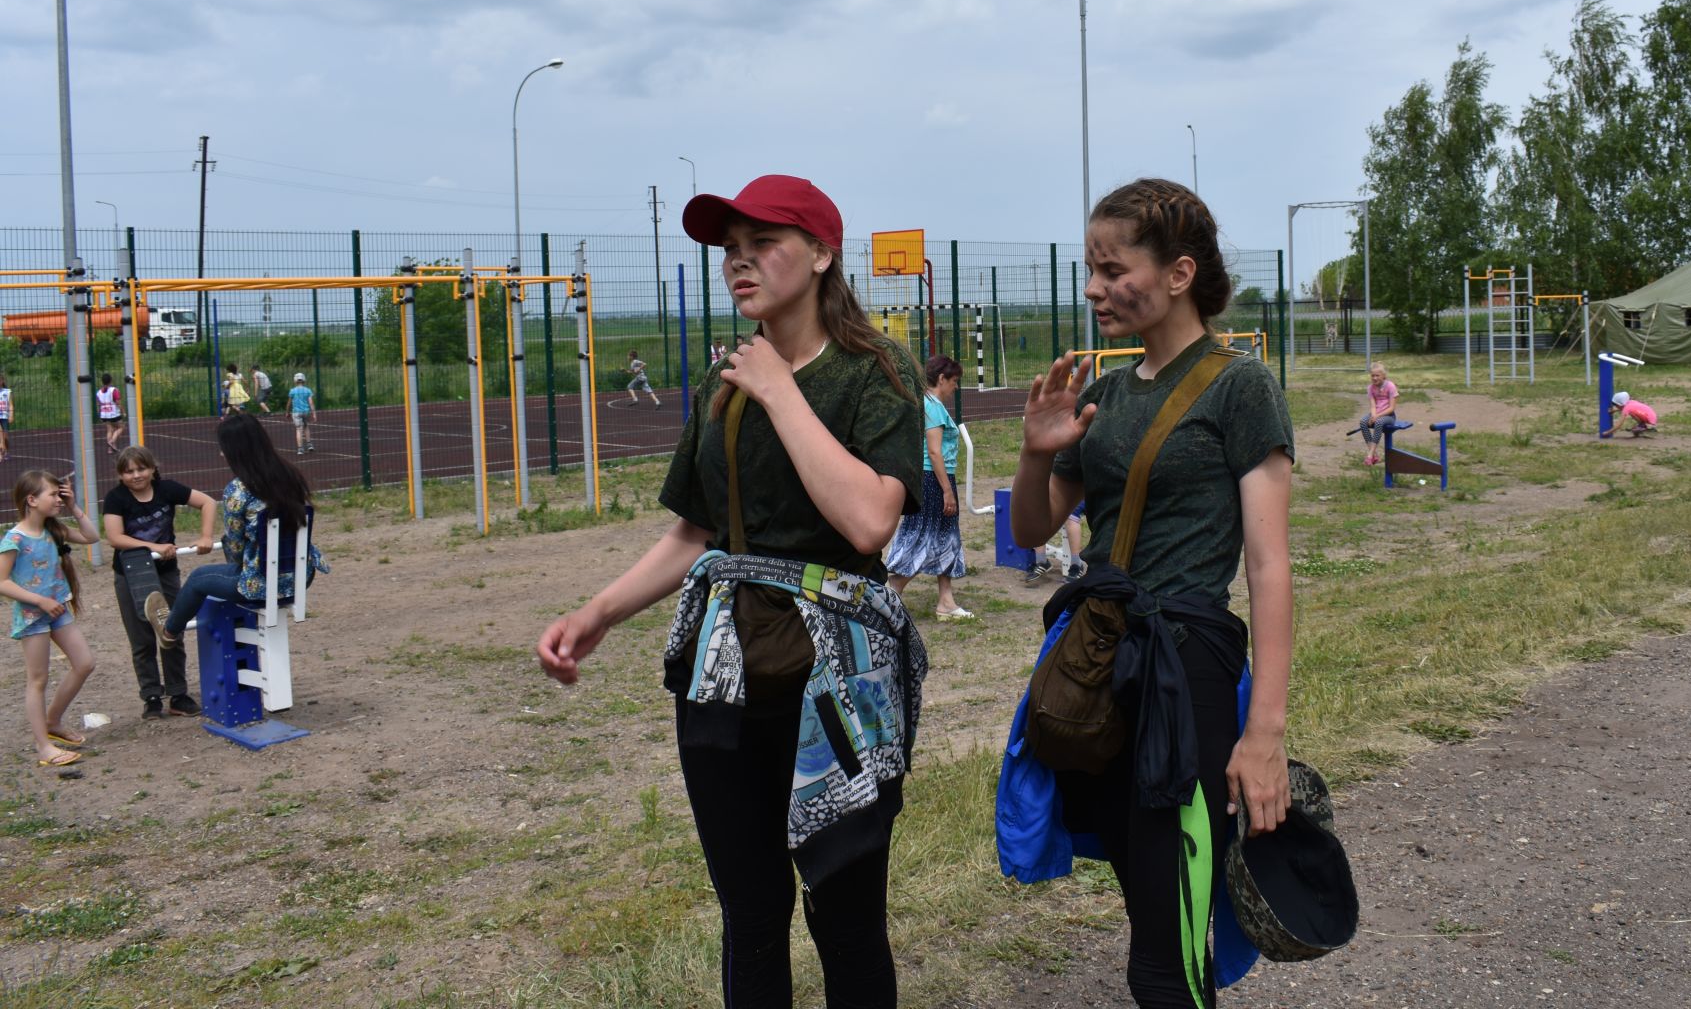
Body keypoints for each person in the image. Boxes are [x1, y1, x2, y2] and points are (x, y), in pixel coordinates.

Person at [538, 174, 926, 1007]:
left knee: (846, 915)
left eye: (764, 245)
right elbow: (694, 533)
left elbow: (870, 523)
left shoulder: (874, 371)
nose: (740, 264)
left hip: (839, 686)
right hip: (725, 674)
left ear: (823, 254)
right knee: (750, 914)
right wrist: (596, 613)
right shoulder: (727, 385)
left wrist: (781, 391)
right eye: (730, 252)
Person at [1007, 177, 1295, 1007]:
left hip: (1186, 675)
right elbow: (1030, 530)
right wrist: (1035, 452)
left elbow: (1270, 568)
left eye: (1110, 267)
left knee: (1164, 958)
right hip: (1100, 666)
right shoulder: (1102, 394)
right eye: (1088, 269)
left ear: (1178, 273)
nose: (1093, 288)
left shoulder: (1241, 387)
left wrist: (1264, 733)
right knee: (1149, 907)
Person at [145, 413, 327, 651]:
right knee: (212, 571)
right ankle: (171, 627)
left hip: (265, 584)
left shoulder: (239, 490)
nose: (222, 453)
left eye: (223, 448)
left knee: (197, 580)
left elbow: (235, 544)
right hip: (302, 574)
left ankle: (169, 631)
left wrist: (238, 565)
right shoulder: (290, 474)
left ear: (235, 451)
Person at [100, 446, 217, 720]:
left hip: (165, 573)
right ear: (120, 475)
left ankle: (178, 694)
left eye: (141, 469)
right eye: (128, 471)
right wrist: (153, 545)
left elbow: (208, 503)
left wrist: (206, 536)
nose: (136, 475)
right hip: (132, 574)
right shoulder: (116, 498)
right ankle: (151, 696)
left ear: (152, 469)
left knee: (171, 631)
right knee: (141, 637)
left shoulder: (167, 490)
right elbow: (115, 537)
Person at [2, 469, 100, 767]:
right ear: (32, 500)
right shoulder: (14, 539)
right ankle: (44, 747)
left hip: (58, 611)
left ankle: (53, 721)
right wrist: (39, 600)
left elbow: (92, 536)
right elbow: (2, 581)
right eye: (53, 495)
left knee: (84, 663)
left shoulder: (53, 530)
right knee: (38, 679)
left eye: (60, 495)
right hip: (34, 617)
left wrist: (73, 507)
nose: (58, 499)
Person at [886, 354, 972, 620]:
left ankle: (946, 601)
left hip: (937, 478)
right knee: (922, 535)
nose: (956, 387)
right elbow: (934, 452)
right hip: (934, 480)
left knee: (946, 536)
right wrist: (947, 490)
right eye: (954, 381)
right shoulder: (931, 406)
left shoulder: (930, 404)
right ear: (942, 379)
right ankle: (890, 592)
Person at [1358, 361, 1397, 466]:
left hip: (1389, 416)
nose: (1375, 378)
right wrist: (1373, 415)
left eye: (1377, 375)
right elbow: (1373, 405)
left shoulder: (1390, 386)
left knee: (1379, 422)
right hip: (1376, 413)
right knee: (1363, 422)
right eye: (1372, 376)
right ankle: (1374, 454)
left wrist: (1377, 416)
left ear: (1383, 376)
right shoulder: (1370, 388)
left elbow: (1392, 408)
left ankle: (1370, 455)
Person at [96, 372, 127, 453]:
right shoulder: (114, 390)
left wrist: (99, 414)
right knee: (121, 427)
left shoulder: (98, 392)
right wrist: (123, 411)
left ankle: (110, 449)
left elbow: (98, 405)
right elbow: (118, 402)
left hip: (104, 414)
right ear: (110, 381)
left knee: (110, 430)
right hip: (113, 413)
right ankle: (112, 441)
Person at [286, 373, 316, 454]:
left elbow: (289, 403)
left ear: (295, 380)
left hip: (296, 412)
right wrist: (314, 413)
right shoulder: (307, 390)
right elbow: (311, 403)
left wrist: (287, 412)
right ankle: (309, 445)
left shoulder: (292, 391)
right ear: (304, 380)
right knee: (306, 427)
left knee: (299, 429)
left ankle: (300, 449)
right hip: (306, 412)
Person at [0, 372, 12, 461]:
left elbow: (11, 405)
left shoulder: (7, 392)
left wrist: (11, 414)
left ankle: (7, 450)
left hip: (4, 416)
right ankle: (1, 453)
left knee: (5, 436)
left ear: (2, 381)